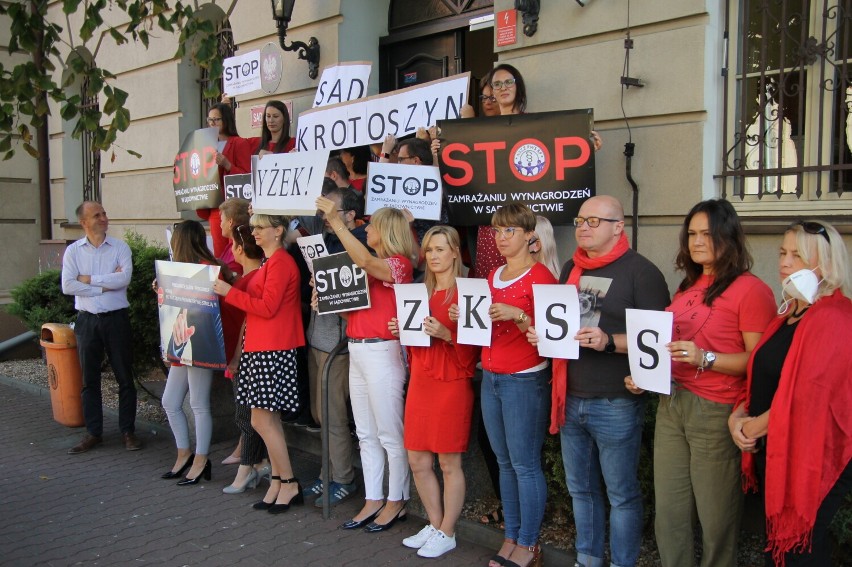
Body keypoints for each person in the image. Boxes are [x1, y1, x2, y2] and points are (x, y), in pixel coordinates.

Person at [624, 199, 776, 566]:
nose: (696, 241)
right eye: (691, 233)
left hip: (716, 410)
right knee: (670, 512)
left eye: (707, 233)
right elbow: (668, 347)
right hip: (672, 403)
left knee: (716, 515)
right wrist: (648, 375)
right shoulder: (688, 287)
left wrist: (705, 358)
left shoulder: (750, 290)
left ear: (729, 236)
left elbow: (760, 364)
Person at [533, 195, 669, 567]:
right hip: (571, 396)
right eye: (580, 221)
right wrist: (542, 335)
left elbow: (656, 340)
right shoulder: (570, 269)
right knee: (581, 490)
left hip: (615, 401)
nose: (583, 228)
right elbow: (565, 327)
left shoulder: (642, 273)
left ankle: (623, 562)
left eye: (593, 221)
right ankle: (587, 559)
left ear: (618, 227)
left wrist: (609, 342)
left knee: (621, 493)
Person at [729, 220, 852, 566]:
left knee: (801, 551)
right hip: (778, 447)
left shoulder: (835, 318)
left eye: (796, 255)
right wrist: (739, 415)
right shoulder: (788, 312)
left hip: (813, 454)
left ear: (825, 264)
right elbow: (761, 373)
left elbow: (809, 399)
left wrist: (753, 428)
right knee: (784, 550)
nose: (784, 262)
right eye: (783, 252)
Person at [450, 203, 556, 567]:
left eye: (509, 230)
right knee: (505, 463)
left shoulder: (542, 277)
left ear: (531, 236)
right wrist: (462, 315)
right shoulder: (493, 275)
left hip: (525, 380)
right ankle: (511, 536)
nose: (501, 237)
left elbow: (555, 339)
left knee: (525, 464)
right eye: (497, 231)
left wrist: (521, 315)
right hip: (492, 375)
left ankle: (529, 544)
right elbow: (479, 329)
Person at [314, 198, 414, 533]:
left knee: (389, 433)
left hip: (383, 353)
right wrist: (327, 300)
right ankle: (374, 498)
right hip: (358, 348)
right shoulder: (369, 264)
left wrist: (337, 223)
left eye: (371, 225)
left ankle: (396, 500)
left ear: (385, 231)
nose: (366, 228)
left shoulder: (399, 264)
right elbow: (354, 313)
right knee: (367, 433)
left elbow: (370, 265)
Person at [392, 226, 479, 558]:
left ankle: (448, 531)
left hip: (452, 383)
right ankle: (435, 523)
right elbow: (414, 344)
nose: (434, 256)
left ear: (456, 252)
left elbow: (474, 354)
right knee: (417, 458)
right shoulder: (419, 291)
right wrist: (401, 330)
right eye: (429, 250)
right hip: (422, 381)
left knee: (448, 462)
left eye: (441, 249)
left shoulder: (468, 292)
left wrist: (447, 333)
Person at [213, 213, 305, 514]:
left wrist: (230, 293)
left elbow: (267, 307)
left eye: (260, 227)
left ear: (278, 231)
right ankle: (279, 480)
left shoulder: (280, 262)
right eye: (253, 228)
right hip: (262, 347)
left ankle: (288, 482)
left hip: (272, 348)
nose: (254, 233)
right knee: (264, 420)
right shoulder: (271, 262)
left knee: (263, 420)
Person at [300, 187, 367, 508]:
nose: (326, 219)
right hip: (318, 336)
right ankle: (328, 473)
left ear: (351, 216)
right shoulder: (322, 241)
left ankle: (343, 478)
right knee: (319, 413)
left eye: (332, 212)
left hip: (338, 343)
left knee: (333, 414)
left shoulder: (361, 243)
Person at [159, 220, 236, 485]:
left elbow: (222, 310)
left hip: (201, 343)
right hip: (183, 341)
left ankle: (201, 459)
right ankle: (185, 454)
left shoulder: (207, 271)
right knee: (170, 401)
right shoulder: (186, 271)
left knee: (198, 404)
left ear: (179, 243)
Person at [62, 201, 141, 454]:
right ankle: (94, 433)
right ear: (84, 222)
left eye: (104, 213)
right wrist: (104, 285)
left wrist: (89, 280)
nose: (104, 218)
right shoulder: (74, 252)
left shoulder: (120, 247)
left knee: (124, 377)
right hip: (87, 320)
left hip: (116, 319)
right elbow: (68, 286)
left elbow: (124, 278)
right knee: (89, 379)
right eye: (97, 215)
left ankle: (128, 431)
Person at [221, 224, 271, 494]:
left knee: (248, 414)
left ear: (240, 249)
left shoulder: (253, 279)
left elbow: (247, 320)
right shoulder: (249, 276)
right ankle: (258, 462)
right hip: (244, 351)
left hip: (249, 352)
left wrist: (238, 356)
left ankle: (248, 466)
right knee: (249, 415)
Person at [198, 103, 252, 257]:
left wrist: (227, 164)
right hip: (216, 207)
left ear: (226, 120)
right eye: (210, 120)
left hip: (235, 207)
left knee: (238, 250)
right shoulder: (205, 146)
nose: (212, 123)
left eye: (217, 119)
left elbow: (246, 176)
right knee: (220, 253)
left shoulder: (239, 143)